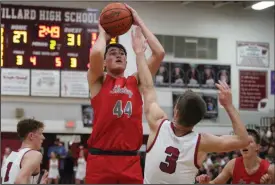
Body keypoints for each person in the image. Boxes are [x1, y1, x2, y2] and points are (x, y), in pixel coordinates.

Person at [133, 28, 251, 183]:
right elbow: (243, 140)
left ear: (176, 112)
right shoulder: (202, 142)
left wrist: (140, 54)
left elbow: (147, 86)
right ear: (198, 120)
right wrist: (228, 105)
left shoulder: (158, 123)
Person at [86, 4, 165, 183]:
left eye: (122, 53)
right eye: (113, 53)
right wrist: (103, 33)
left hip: (130, 160)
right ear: (105, 63)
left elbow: (159, 53)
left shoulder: (135, 82)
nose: (118, 55)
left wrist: (139, 22)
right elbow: (97, 52)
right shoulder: (98, 81)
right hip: (100, 160)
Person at [196, 129, 275, 184]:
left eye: (249, 142)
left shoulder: (270, 169)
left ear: (257, 147)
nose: (245, 145)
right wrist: (206, 183)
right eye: (243, 142)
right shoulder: (232, 164)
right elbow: (215, 183)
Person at [1, 118, 48, 184]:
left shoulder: (12, 156)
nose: (43, 137)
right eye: (40, 133)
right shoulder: (34, 154)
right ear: (31, 136)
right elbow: (20, 181)